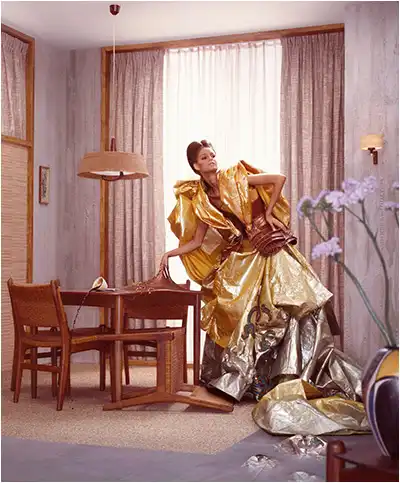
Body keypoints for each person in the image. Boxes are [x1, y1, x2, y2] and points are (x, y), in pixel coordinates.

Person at [161, 140, 369, 436]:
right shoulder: (202, 201)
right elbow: (196, 241)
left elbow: (278, 179)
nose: (212, 160)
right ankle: (249, 381)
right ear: (196, 165)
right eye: (205, 157)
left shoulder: (235, 176)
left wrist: (269, 213)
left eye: (213, 155)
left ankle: (288, 375)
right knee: (236, 312)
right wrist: (170, 253)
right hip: (243, 257)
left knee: (290, 305)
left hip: (269, 250)